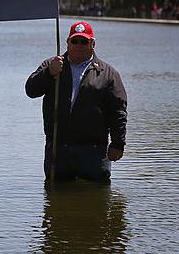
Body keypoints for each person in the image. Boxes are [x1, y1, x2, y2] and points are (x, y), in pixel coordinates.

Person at [25, 21, 127, 182]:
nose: (79, 45)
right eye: (75, 41)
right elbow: (30, 90)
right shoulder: (52, 65)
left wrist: (118, 143)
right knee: (55, 201)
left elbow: (118, 112)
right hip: (58, 151)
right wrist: (48, 73)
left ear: (93, 43)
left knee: (97, 202)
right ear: (67, 42)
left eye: (84, 41)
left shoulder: (107, 73)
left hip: (93, 152)